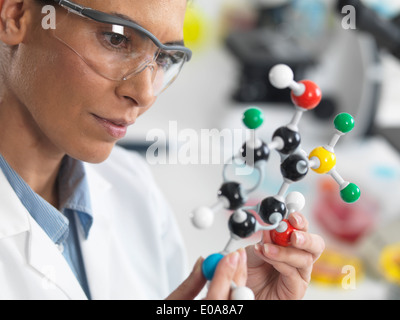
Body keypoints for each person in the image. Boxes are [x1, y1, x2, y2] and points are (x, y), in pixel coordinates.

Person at [0, 0, 325, 300]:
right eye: (116, 39)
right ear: (16, 14)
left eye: (164, 58)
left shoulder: (134, 186)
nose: (144, 93)